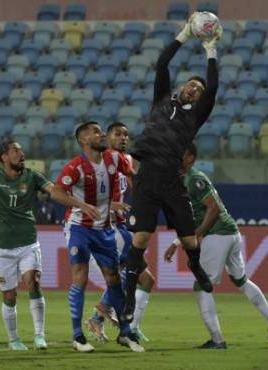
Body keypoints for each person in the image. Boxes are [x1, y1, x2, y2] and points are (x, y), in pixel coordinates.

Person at [123, 15, 223, 320]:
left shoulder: (196, 116)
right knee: (140, 239)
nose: (195, 90)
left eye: (199, 90)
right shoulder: (162, 99)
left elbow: (214, 86)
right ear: (182, 86)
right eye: (192, 85)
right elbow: (162, 65)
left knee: (191, 240)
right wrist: (184, 34)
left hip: (171, 178)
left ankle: (195, 265)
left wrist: (210, 49)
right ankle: (128, 300)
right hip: (147, 176)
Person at [0, 140, 95, 351]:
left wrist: (80, 203)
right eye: (15, 150)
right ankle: (13, 339)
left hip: (28, 243)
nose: (21, 153)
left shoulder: (32, 176)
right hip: (1, 247)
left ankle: (39, 336)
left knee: (34, 283)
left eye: (22, 149)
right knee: (9, 295)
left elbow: (54, 190)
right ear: (4, 156)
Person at [163, 143, 268, 349]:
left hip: (218, 234)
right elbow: (196, 217)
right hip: (230, 233)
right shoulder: (185, 181)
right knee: (240, 279)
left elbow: (214, 208)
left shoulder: (195, 179)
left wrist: (199, 235)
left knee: (202, 285)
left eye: (179, 154)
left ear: (190, 158)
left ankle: (217, 340)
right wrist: (177, 243)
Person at [53, 121, 144, 353]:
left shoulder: (115, 159)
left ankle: (125, 333)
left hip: (104, 230)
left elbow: (133, 176)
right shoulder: (76, 167)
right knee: (80, 278)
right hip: (78, 228)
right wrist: (82, 204)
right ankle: (77, 336)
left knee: (114, 279)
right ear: (84, 140)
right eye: (96, 131)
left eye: (102, 131)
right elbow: (56, 192)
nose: (102, 134)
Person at [86, 122, 155, 343]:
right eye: (118, 134)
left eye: (126, 134)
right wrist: (112, 205)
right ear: (107, 137)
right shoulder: (103, 159)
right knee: (141, 277)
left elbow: (136, 189)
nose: (124, 138)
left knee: (143, 279)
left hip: (122, 225)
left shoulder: (126, 160)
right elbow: (89, 193)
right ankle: (113, 315)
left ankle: (103, 318)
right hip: (108, 226)